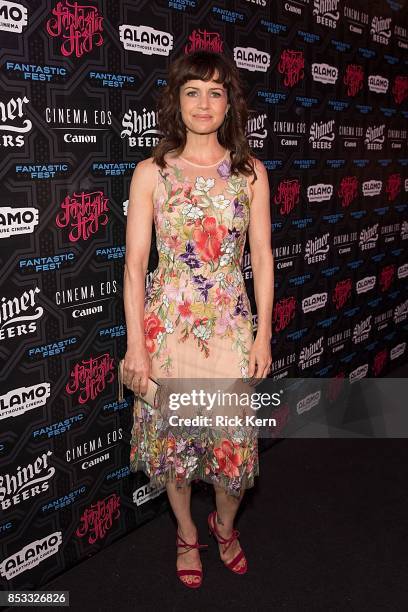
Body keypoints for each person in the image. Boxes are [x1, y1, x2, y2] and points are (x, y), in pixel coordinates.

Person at [121, 50, 274, 588]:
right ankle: (187, 532)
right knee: (176, 450)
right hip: (168, 330)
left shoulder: (250, 173)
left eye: (215, 91)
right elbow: (136, 267)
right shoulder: (151, 173)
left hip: (231, 331)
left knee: (234, 451)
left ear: (229, 103)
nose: (203, 103)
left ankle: (224, 526)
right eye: (192, 91)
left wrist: (265, 334)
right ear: (176, 101)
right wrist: (136, 346)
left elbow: (262, 256)